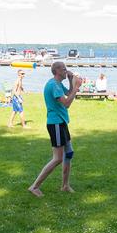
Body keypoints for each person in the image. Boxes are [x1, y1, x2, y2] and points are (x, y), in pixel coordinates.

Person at [28, 61, 83, 197]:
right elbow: (67, 103)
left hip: (61, 122)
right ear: (57, 71)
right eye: (64, 69)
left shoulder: (58, 84)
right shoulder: (53, 85)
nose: (66, 71)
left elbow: (68, 92)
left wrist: (71, 81)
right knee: (58, 158)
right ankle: (34, 186)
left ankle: (65, 185)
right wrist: (76, 88)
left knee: (68, 153)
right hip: (55, 124)